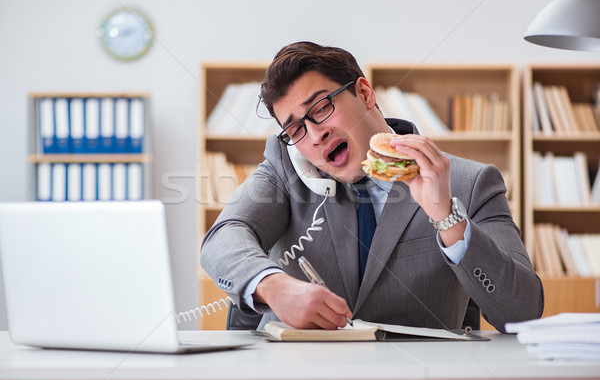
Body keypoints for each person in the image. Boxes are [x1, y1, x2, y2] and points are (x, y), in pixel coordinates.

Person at [200, 41, 543, 332]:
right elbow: (224, 236)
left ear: (364, 93)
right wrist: (271, 285)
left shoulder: (470, 182)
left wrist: (447, 217)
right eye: (296, 131)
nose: (315, 135)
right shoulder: (286, 170)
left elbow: (522, 312)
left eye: (321, 108)